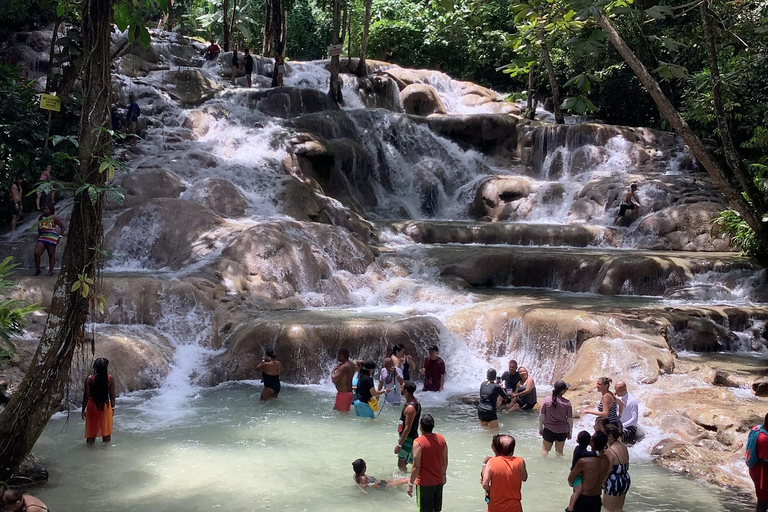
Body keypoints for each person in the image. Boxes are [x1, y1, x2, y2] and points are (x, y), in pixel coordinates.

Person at [407, 414, 448, 512]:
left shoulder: (418, 442)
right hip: (439, 481)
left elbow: (416, 466)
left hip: (424, 484)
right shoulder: (441, 439)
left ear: (420, 427)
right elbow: (445, 460)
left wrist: (410, 483)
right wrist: (443, 474)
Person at [481, 433, 527, 512]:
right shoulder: (520, 461)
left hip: (495, 506)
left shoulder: (491, 462)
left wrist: (484, 465)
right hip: (515, 507)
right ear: (512, 450)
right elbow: (524, 478)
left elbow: (485, 485)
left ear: (495, 449)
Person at [567, 431, 611, 512]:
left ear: (592, 443)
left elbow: (570, 478)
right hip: (596, 498)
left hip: (583, 499)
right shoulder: (607, 460)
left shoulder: (584, 462)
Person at [82, 357, 116, 444]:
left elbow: (86, 396)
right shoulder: (110, 379)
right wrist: (113, 408)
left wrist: (83, 410)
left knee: (91, 434)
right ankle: (106, 454)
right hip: (105, 407)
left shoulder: (89, 379)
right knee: (106, 433)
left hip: (93, 406)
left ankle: (89, 454)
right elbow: (112, 396)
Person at [539, 379, 572, 456]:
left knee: (545, 450)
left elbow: (541, 416)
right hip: (562, 431)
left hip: (549, 429)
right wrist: (570, 432)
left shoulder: (546, 400)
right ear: (562, 391)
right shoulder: (567, 403)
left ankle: (543, 465)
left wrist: (540, 428)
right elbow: (570, 420)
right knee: (559, 452)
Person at [602, 424, 631, 512]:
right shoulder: (623, 446)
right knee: (618, 509)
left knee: (608, 509)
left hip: (614, 481)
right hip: (625, 479)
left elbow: (607, 471)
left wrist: (601, 483)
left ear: (610, 436)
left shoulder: (609, 451)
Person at [566, 431, 596, 512]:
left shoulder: (578, 449)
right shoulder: (580, 451)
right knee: (578, 490)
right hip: (576, 474)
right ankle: (570, 507)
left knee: (577, 490)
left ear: (577, 440)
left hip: (577, 473)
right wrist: (596, 453)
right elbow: (587, 454)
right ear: (589, 442)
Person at [395, 381, 421, 472]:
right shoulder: (411, 402)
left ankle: (406, 482)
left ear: (405, 391)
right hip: (407, 438)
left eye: (402, 388)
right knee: (403, 462)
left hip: (408, 439)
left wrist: (399, 444)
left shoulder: (410, 408)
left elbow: (408, 427)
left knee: (401, 464)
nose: (400, 389)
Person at [33, 204, 65, 276]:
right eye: (44, 209)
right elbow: (39, 228)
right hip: (42, 237)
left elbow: (62, 227)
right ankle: (37, 270)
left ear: (51, 210)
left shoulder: (54, 218)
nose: (45, 210)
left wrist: (59, 237)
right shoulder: (41, 218)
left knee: (51, 254)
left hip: (51, 238)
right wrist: (39, 237)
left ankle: (50, 271)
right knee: (36, 253)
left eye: (46, 209)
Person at [749, 412, 768, 512]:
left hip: (755, 469)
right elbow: (765, 461)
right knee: (763, 502)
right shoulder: (764, 439)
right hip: (762, 475)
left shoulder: (757, 428)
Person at [331, 348, 355, 412]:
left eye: (338, 355)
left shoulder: (344, 367)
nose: (337, 357)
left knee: (341, 415)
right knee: (338, 412)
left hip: (343, 394)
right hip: (348, 393)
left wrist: (333, 370)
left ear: (341, 355)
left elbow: (334, 379)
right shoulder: (352, 365)